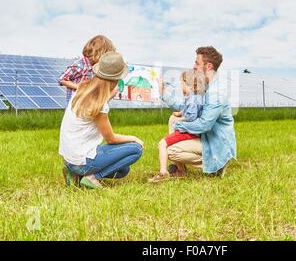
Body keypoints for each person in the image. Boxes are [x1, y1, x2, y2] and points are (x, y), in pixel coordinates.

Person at [59, 51, 144, 189]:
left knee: (123, 170)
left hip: (70, 159)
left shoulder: (82, 88)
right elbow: (111, 139)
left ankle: (75, 174)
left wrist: (109, 95)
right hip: (81, 161)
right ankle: (92, 177)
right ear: (116, 79)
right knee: (136, 149)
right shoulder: (100, 105)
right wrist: (134, 138)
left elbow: (94, 105)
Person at [160, 46, 236, 178]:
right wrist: (163, 93)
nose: (194, 66)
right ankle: (181, 169)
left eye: (197, 63)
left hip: (216, 142)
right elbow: (186, 106)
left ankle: (217, 163)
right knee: (173, 119)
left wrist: (178, 126)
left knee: (170, 150)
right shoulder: (204, 85)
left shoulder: (215, 93)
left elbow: (204, 125)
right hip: (206, 135)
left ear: (209, 66)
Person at [148, 69, 206, 183]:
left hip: (188, 131)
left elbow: (191, 116)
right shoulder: (194, 97)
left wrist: (180, 120)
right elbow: (187, 109)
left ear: (189, 85)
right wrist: (179, 114)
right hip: (189, 131)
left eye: (182, 84)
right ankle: (181, 170)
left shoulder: (193, 99)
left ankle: (163, 172)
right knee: (166, 142)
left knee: (162, 144)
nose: (180, 87)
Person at [59, 35, 116, 104]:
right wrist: (80, 87)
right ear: (96, 53)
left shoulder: (97, 67)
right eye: (104, 56)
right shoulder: (80, 65)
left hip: (87, 102)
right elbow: (62, 79)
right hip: (75, 103)